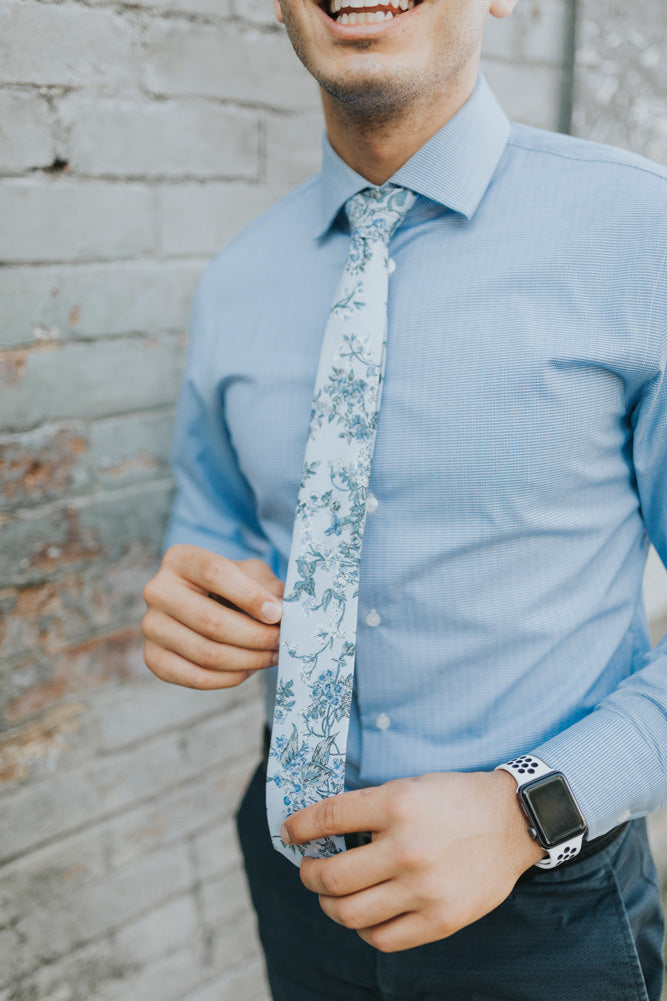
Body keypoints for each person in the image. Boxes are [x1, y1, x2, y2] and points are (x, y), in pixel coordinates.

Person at [141, 0, 667, 997]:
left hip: (546, 893)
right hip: (296, 871)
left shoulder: (644, 234)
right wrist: (189, 606)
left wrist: (529, 811)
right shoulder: (235, 281)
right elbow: (208, 535)